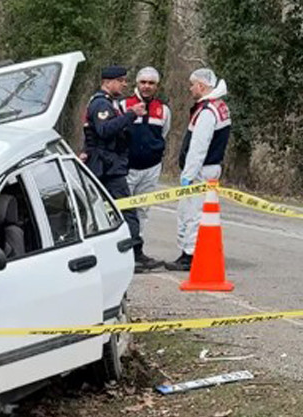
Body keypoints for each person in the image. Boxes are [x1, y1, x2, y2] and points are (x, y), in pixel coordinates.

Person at [84, 65, 146, 260]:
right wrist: (131, 114)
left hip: (108, 164)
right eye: (121, 80)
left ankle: (124, 253)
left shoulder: (110, 103)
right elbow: (104, 130)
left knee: (108, 212)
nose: (124, 84)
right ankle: (134, 255)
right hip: (107, 167)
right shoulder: (101, 104)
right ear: (108, 82)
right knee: (126, 211)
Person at [174, 67, 232, 271]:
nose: (190, 89)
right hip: (209, 167)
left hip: (202, 169)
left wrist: (188, 175)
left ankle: (189, 254)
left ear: (201, 85)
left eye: (192, 85)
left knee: (192, 213)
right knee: (193, 211)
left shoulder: (208, 111)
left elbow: (198, 147)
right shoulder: (218, 106)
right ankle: (189, 251)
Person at [122, 67, 172, 271]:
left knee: (143, 211)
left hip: (151, 168)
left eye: (151, 83)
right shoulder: (124, 105)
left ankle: (137, 251)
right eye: (143, 82)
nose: (146, 86)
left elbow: (164, 134)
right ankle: (123, 252)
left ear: (156, 86)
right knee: (124, 211)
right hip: (127, 168)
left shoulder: (163, 109)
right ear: (136, 83)